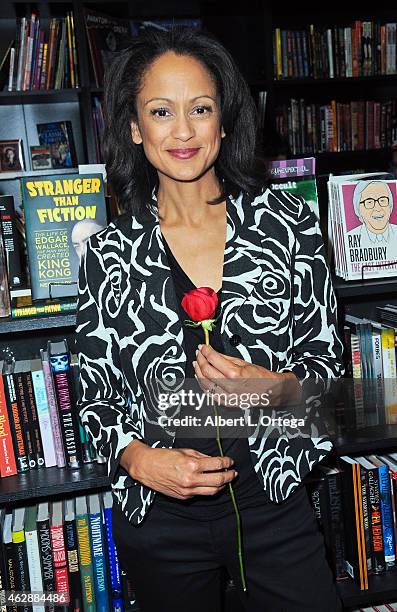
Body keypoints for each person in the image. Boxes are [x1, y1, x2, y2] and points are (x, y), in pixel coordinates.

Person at [75, 26, 344, 612]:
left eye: (200, 109)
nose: (183, 130)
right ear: (134, 127)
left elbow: (328, 384)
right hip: (161, 516)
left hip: (273, 502)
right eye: (160, 111)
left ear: (223, 121)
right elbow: (94, 396)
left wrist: (277, 389)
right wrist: (138, 459)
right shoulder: (107, 254)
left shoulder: (289, 225)